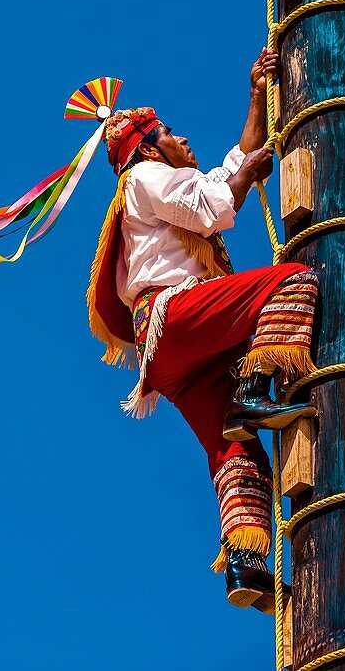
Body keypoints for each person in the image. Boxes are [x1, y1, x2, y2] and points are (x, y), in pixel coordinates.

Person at [86, 48, 319, 613]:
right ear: (145, 146)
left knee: (237, 457)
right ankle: (251, 395)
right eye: (168, 131)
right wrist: (243, 177)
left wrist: (255, 98)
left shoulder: (155, 187)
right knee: (294, 281)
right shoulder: (144, 177)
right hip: (177, 320)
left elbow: (223, 175)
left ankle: (246, 568)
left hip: (170, 358)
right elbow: (214, 202)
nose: (181, 136)